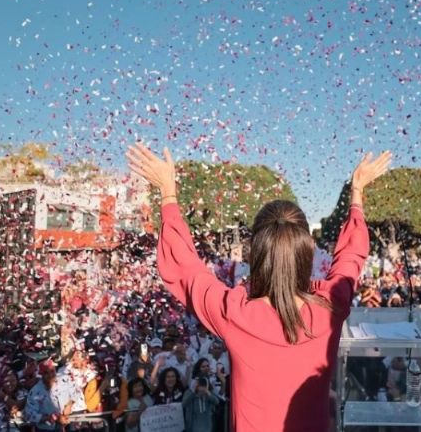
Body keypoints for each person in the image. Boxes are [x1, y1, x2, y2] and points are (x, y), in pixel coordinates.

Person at [126, 143, 391, 432]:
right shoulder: (331, 306)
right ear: (307, 250)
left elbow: (185, 269)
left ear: (255, 253)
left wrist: (168, 193)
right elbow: (350, 259)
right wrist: (356, 195)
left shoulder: (234, 313)